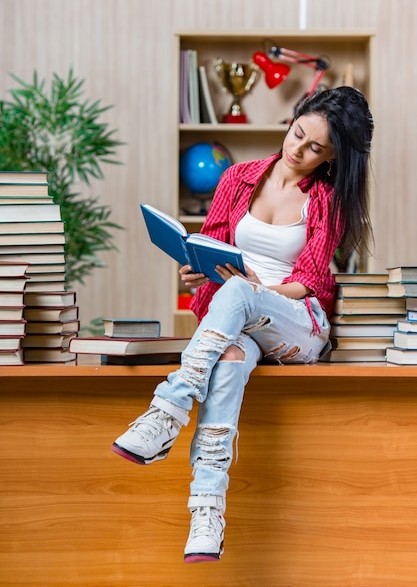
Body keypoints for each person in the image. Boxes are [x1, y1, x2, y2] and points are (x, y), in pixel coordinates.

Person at [111, 86, 374, 563]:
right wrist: (194, 268)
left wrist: (254, 291)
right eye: (297, 134)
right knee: (229, 359)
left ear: (334, 156)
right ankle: (206, 511)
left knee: (238, 293)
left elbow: (311, 281)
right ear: (292, 121)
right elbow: (208, 246)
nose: (298, 149)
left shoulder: (327, 201)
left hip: (297, 323)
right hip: (239, 326)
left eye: (316, 148)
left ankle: (168, 409)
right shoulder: (238, 178)